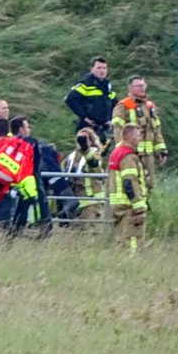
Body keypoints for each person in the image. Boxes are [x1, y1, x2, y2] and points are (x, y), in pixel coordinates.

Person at [110, 75, 167, 190]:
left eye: (143, 85)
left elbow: (156, 130)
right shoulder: (123, 106)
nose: (142, 88)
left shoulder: (150, 106)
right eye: (139, 86)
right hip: (132, 154)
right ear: (131, 88)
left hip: (148, 155)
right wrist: (122, 151)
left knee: (150, 185)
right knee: (135, 183)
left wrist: (161, 149)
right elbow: (117, 131)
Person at [108, 124, 149, 254]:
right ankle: (131, 265)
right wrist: (139, 208)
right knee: (133, 240)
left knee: (121, 238)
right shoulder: (128, 156)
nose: (140, 139)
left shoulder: (116, 153)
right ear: (129, 137)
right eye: (137, 136)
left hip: (118, 204)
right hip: (129, 205)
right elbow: (130, 182)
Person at [11, 117, 52, 237]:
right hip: (31, 180)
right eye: (27, 127)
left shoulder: (7, 144)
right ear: (20, 130)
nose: (29, 130)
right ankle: (43, 229)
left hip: (14, 181)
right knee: (37, 206)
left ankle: (15, 233)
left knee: (18, 211)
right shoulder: (30, 142)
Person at [64, 56, 115, 143]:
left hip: (103, 127)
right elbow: (70, 99)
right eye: (99, 68)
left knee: (101, 153)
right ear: (92, 69)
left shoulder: (106, 85)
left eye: (104, 68)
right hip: (89, 126)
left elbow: (114, 102)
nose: (102, 70)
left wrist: (110, 119)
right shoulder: (86, 83)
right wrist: (84, 116)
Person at [63, 127, 107, 222]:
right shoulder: (71, 156)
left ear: (91, 141)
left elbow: (96, 168)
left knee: (90, 229)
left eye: (85, 138)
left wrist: (86, 151)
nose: (81, 141)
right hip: (75, 200)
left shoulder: (94, 153)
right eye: (79, 138)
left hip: (91, 199)